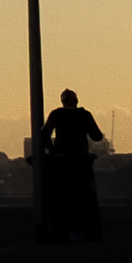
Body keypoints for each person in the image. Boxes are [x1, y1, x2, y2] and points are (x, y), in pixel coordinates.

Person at [40, 89, 108, 243]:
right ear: (76, 101)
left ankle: (62, 230)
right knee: (83, 197)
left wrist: (53, 151)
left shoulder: (56, 114)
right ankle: (85, 231)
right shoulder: (85, 115)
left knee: (62, 198)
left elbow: (44, 135)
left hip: (61, 162)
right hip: (80, 161)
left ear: (62, 101)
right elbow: (97, 136)